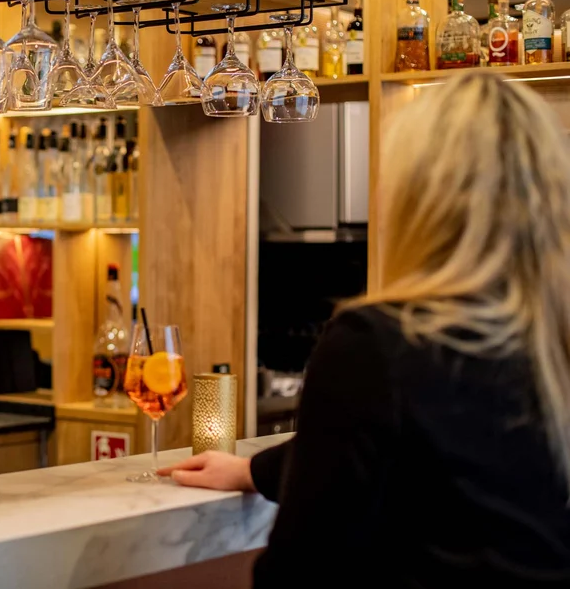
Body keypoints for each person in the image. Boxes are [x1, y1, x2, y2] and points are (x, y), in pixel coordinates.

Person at [161, 73, 570, 586]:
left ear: (418, 197)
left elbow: (302, 569)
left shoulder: (377, 343)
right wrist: (253, 471)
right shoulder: (547, 339)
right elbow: (433, 436)